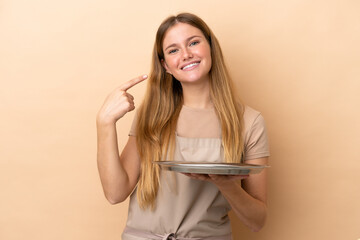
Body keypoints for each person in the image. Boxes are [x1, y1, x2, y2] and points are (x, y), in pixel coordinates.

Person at [96, 12, 270, 240]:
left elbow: (257, 221)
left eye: (194, 43)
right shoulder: (150, 116)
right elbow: (115, 193)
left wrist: (226, 185)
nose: (186, 55)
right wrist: (104, 124)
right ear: (165, 65)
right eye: (173, 50)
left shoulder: (249, 122)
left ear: (211, 48)